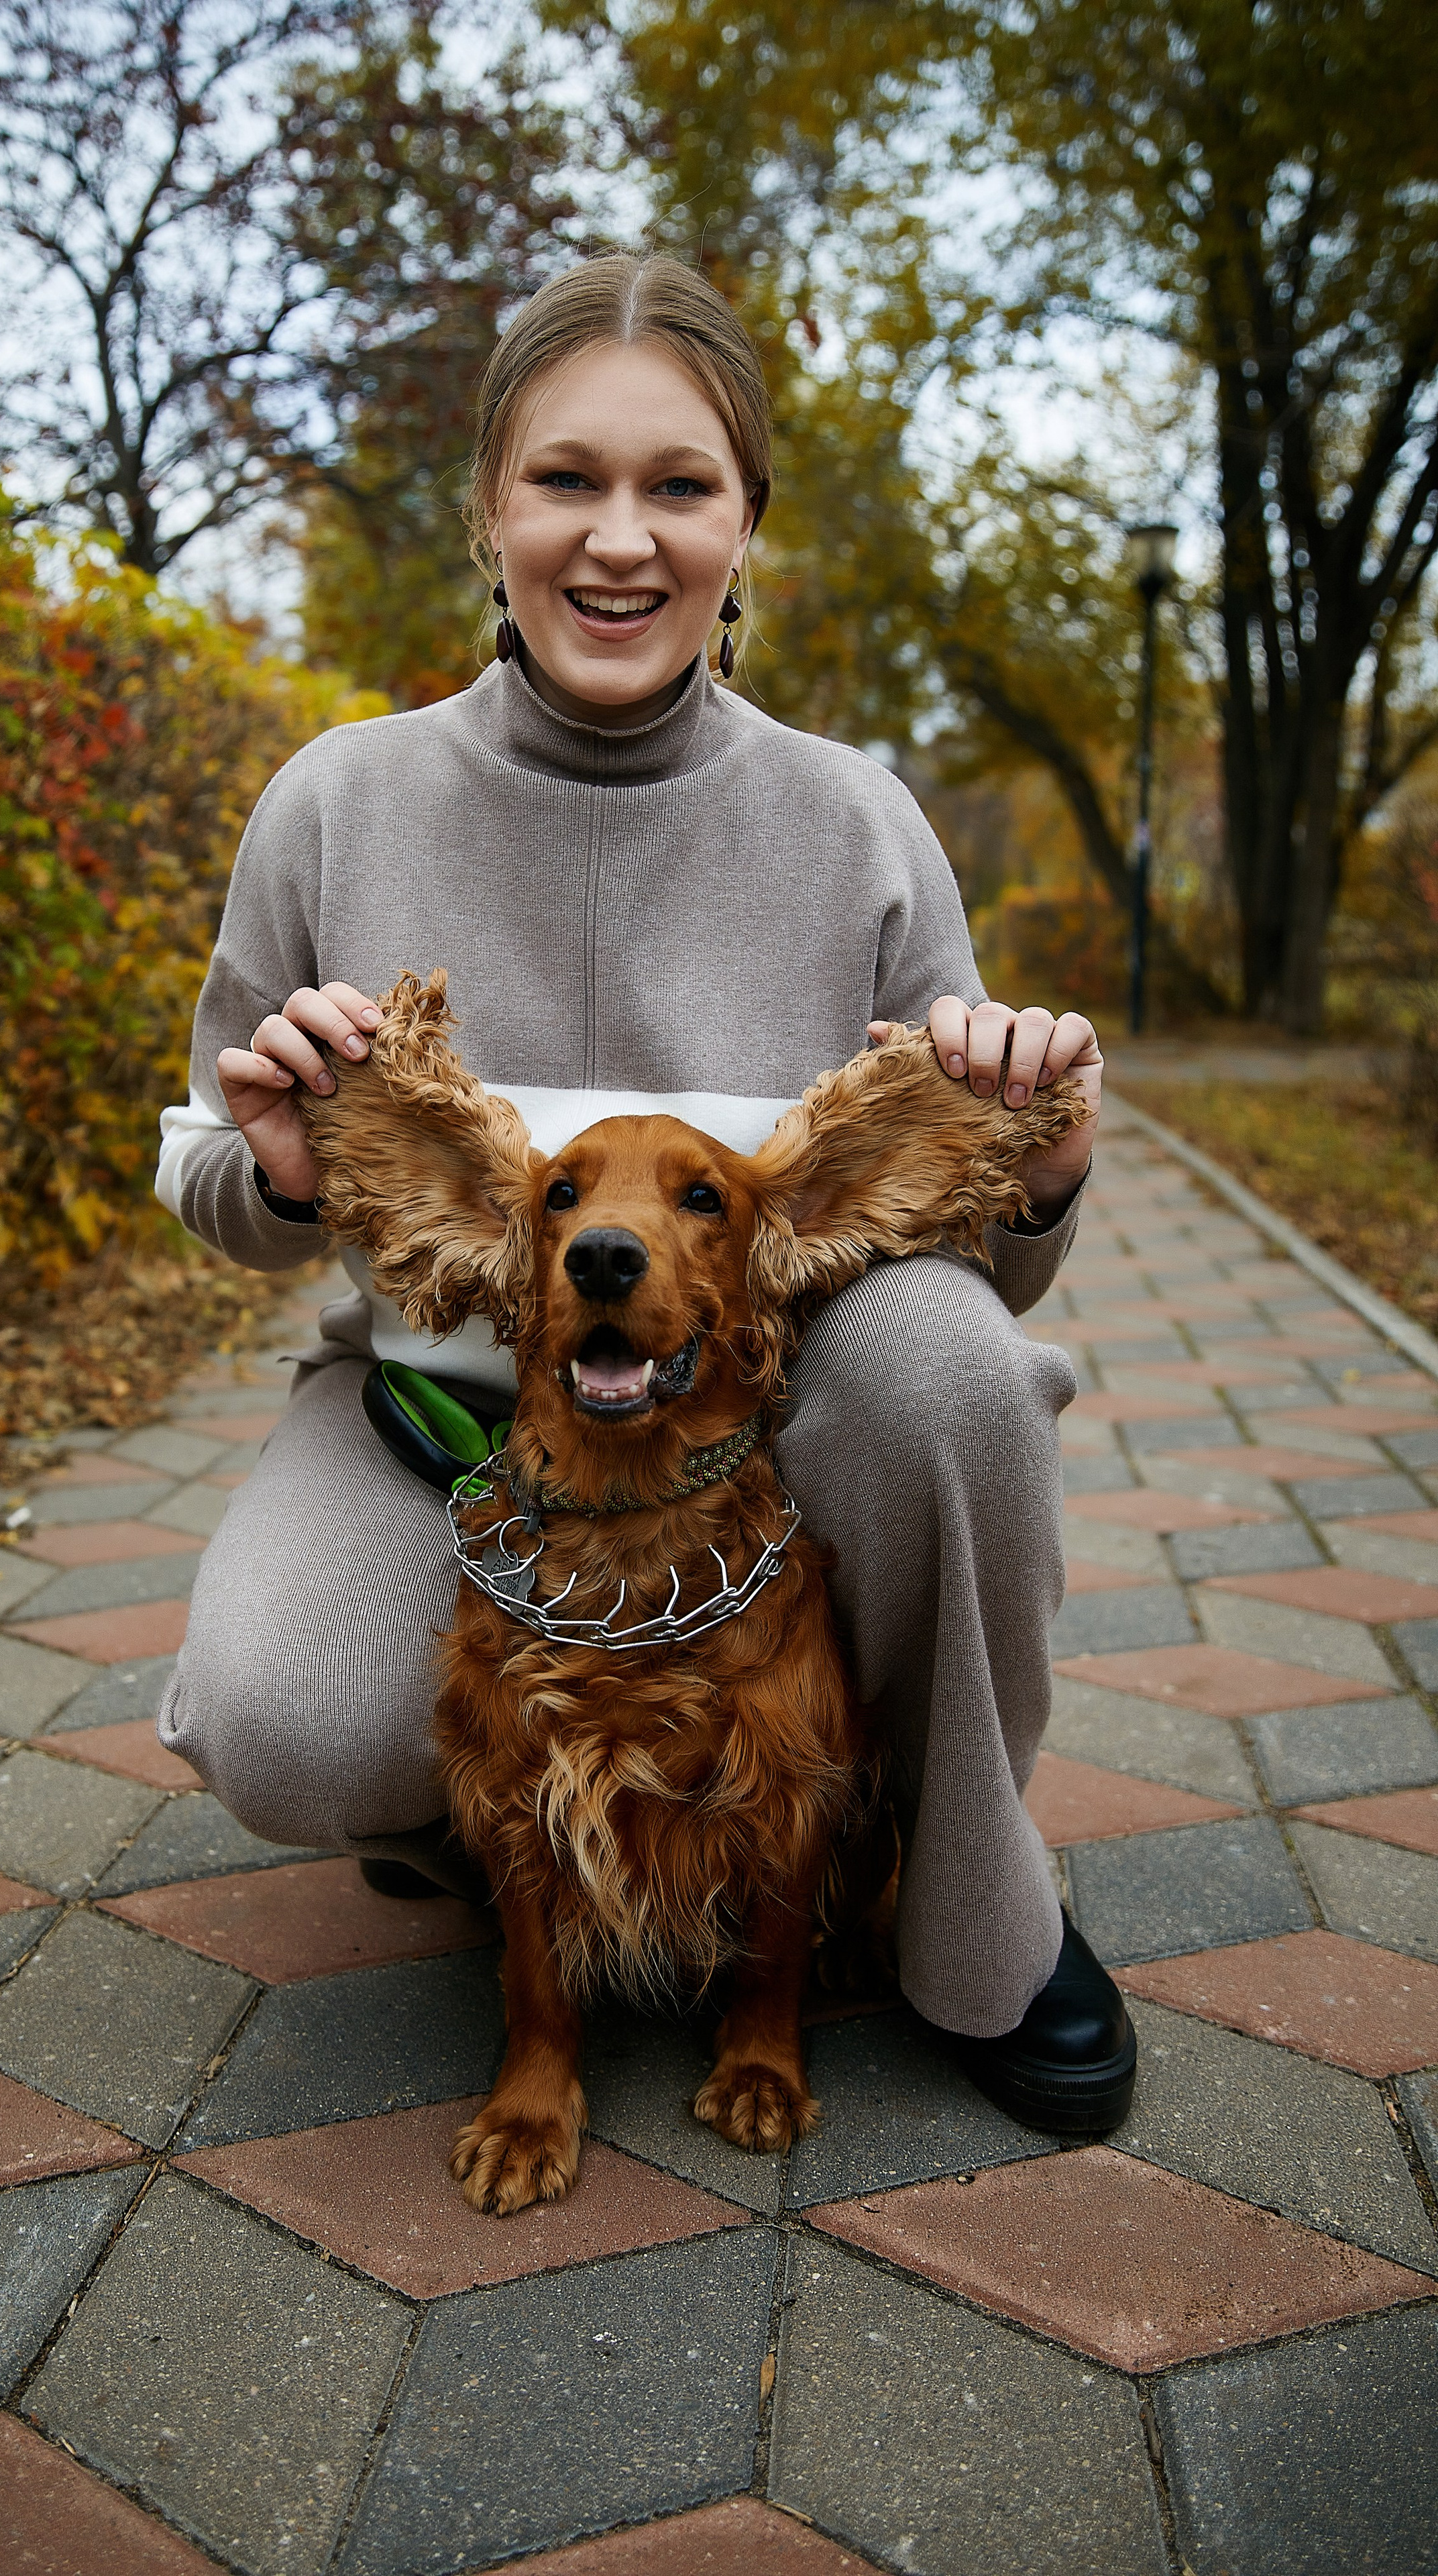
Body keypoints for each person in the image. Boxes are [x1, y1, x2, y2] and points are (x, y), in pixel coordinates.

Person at [154, 252, 1134, 2134]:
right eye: (566, 480)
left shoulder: (857, 819)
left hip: (772, 1441)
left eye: (678, 486)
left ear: (747, 524)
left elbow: (958, 1221)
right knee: (284, 1711)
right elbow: (208, 1149)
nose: (620, 541)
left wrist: (1042, 1178)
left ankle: (980, 1905)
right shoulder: (338, 799)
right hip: (446, 1422)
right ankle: (497, 1824)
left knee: (946, 1369)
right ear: (490, 513)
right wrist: (277, 1180)